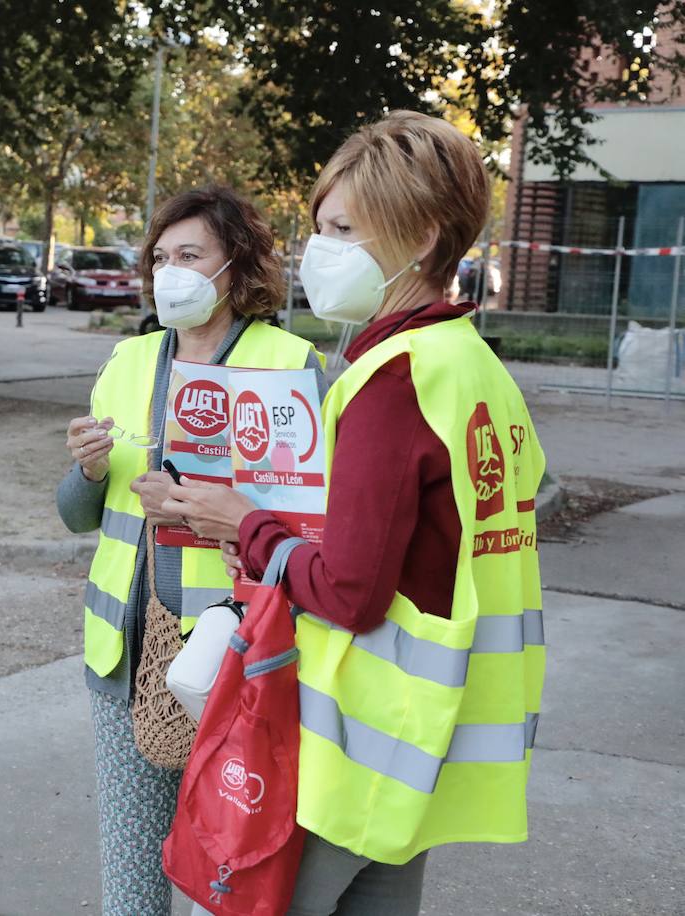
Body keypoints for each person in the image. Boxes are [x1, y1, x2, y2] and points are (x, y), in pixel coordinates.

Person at [164, 112, 546, 916]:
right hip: (419, 740)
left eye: (343, 228)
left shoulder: (392, 379)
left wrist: (247, 524)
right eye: (319, 227)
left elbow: (350, 593)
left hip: (348, 743)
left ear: (423, 236)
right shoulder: (474, 365)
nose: (320, 250)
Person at [57, 186, 324, 916]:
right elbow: (76, 515)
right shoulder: (130, 359)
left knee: (233, 874)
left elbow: (319, 526)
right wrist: (84, 469)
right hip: (124, 656)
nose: (169, 270)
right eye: (160, 257)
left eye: (190, 255)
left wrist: (230, 518)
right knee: (132, 881)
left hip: (239, 661)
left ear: (235, 267)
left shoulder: (289, 363)